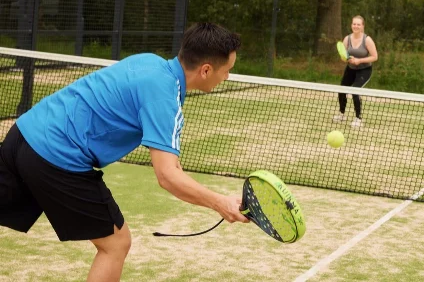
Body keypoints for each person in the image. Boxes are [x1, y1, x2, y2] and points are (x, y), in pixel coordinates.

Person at [0, 22, 249, 282]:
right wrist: (220, 203)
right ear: (206, 70)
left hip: (22, 134)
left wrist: (213, 197)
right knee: (116, 243)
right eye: (227, 70)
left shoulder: (149, 62)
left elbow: (172, 167)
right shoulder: (165, 99)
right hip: (56, 156)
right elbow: (167, 177)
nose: (228, 77)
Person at [333, 15, 378, 128]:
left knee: (355, 91)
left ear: (362, 26)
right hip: (351, 69)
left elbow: (374, 57)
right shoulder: (347, 39)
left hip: (364, 70)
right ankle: (341, 114)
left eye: (358, 24)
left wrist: (359, 60)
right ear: (351, 25)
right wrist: (346, 59)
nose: (356, 26)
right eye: (354, 24)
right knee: (342, 89)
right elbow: (343, 56)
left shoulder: (367, 40)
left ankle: (358, 118)